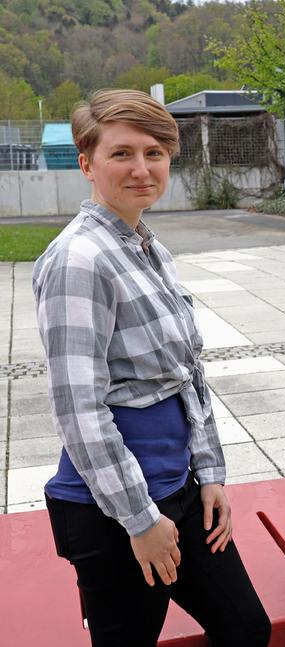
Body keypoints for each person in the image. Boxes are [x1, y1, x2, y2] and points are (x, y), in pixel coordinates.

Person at [32, 89, 270, 647]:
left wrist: (209, 474)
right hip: (113, 510)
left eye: (155, 152)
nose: (142, 168)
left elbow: (188, 375)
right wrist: (139, 521)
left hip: (180, 489)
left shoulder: (145, 245)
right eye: (121, 154)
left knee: (246, 630)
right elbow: (79, 410)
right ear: (87, 163)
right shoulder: (79, 260)